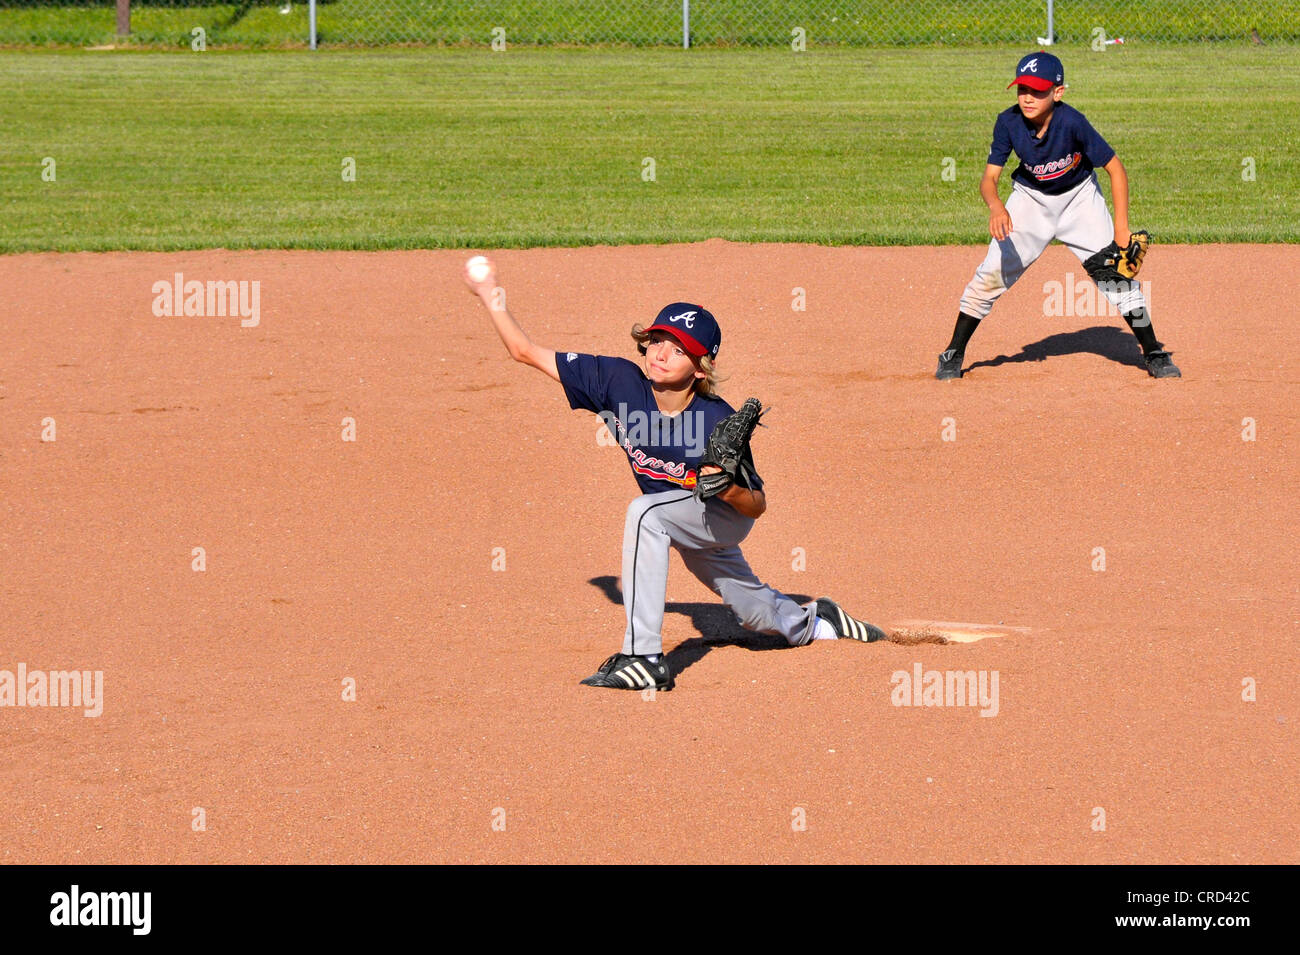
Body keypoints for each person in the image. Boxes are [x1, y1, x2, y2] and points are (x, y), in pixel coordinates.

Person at [462, 257, 886, 691]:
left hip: (720, 514)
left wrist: (729, 487)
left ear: (701, 368)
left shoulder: (715, 421)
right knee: (754, 613)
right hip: (677, 517)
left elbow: (756, 506)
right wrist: (489, 292)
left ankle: (642, 656)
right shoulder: (615, 380)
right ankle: (815, 621)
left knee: (644, 514)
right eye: (658, 340)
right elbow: (524, 352)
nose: (661, 354)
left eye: (678, 349)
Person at [936, 51, 1181, 380]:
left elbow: (1115, 169)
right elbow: (989, 179)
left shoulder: (1072, 121)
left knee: (1113, 275)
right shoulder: (1007, 122)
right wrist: (996, 206)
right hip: (1030, 202)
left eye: (1037, 90)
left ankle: (1153, 352)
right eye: (1022, 89)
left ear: (1058, 92)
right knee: (990, 275)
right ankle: (954, 351)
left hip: (1080, 200)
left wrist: (1121, 229)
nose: (1027, 97)